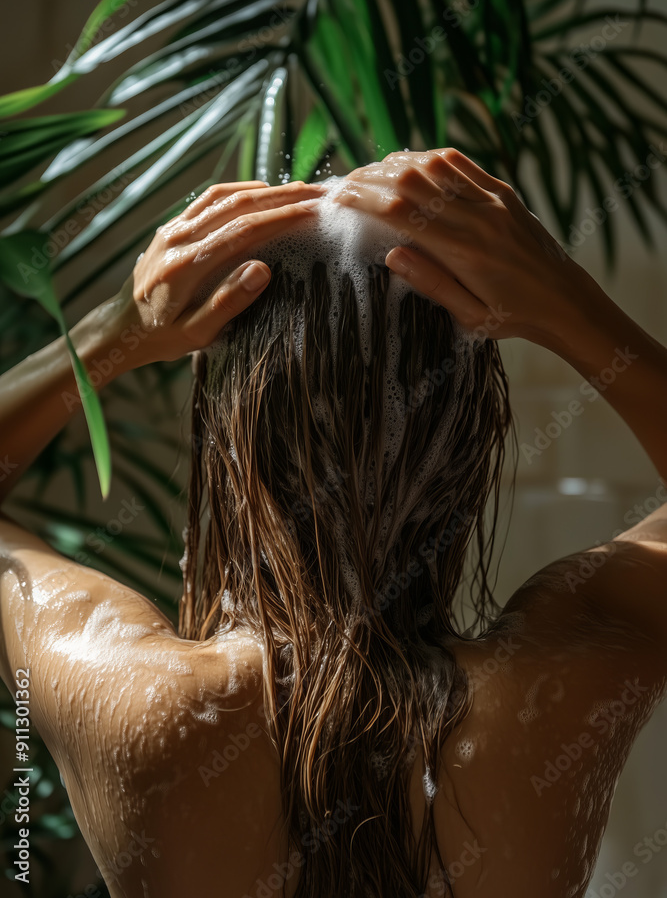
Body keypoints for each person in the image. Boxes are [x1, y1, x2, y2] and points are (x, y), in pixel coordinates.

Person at [0, 147, 665, 898]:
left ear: (233, 434)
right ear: (470, 431)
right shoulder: (555, 693)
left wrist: (111, 334)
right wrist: (569, 307)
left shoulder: (137, 703)